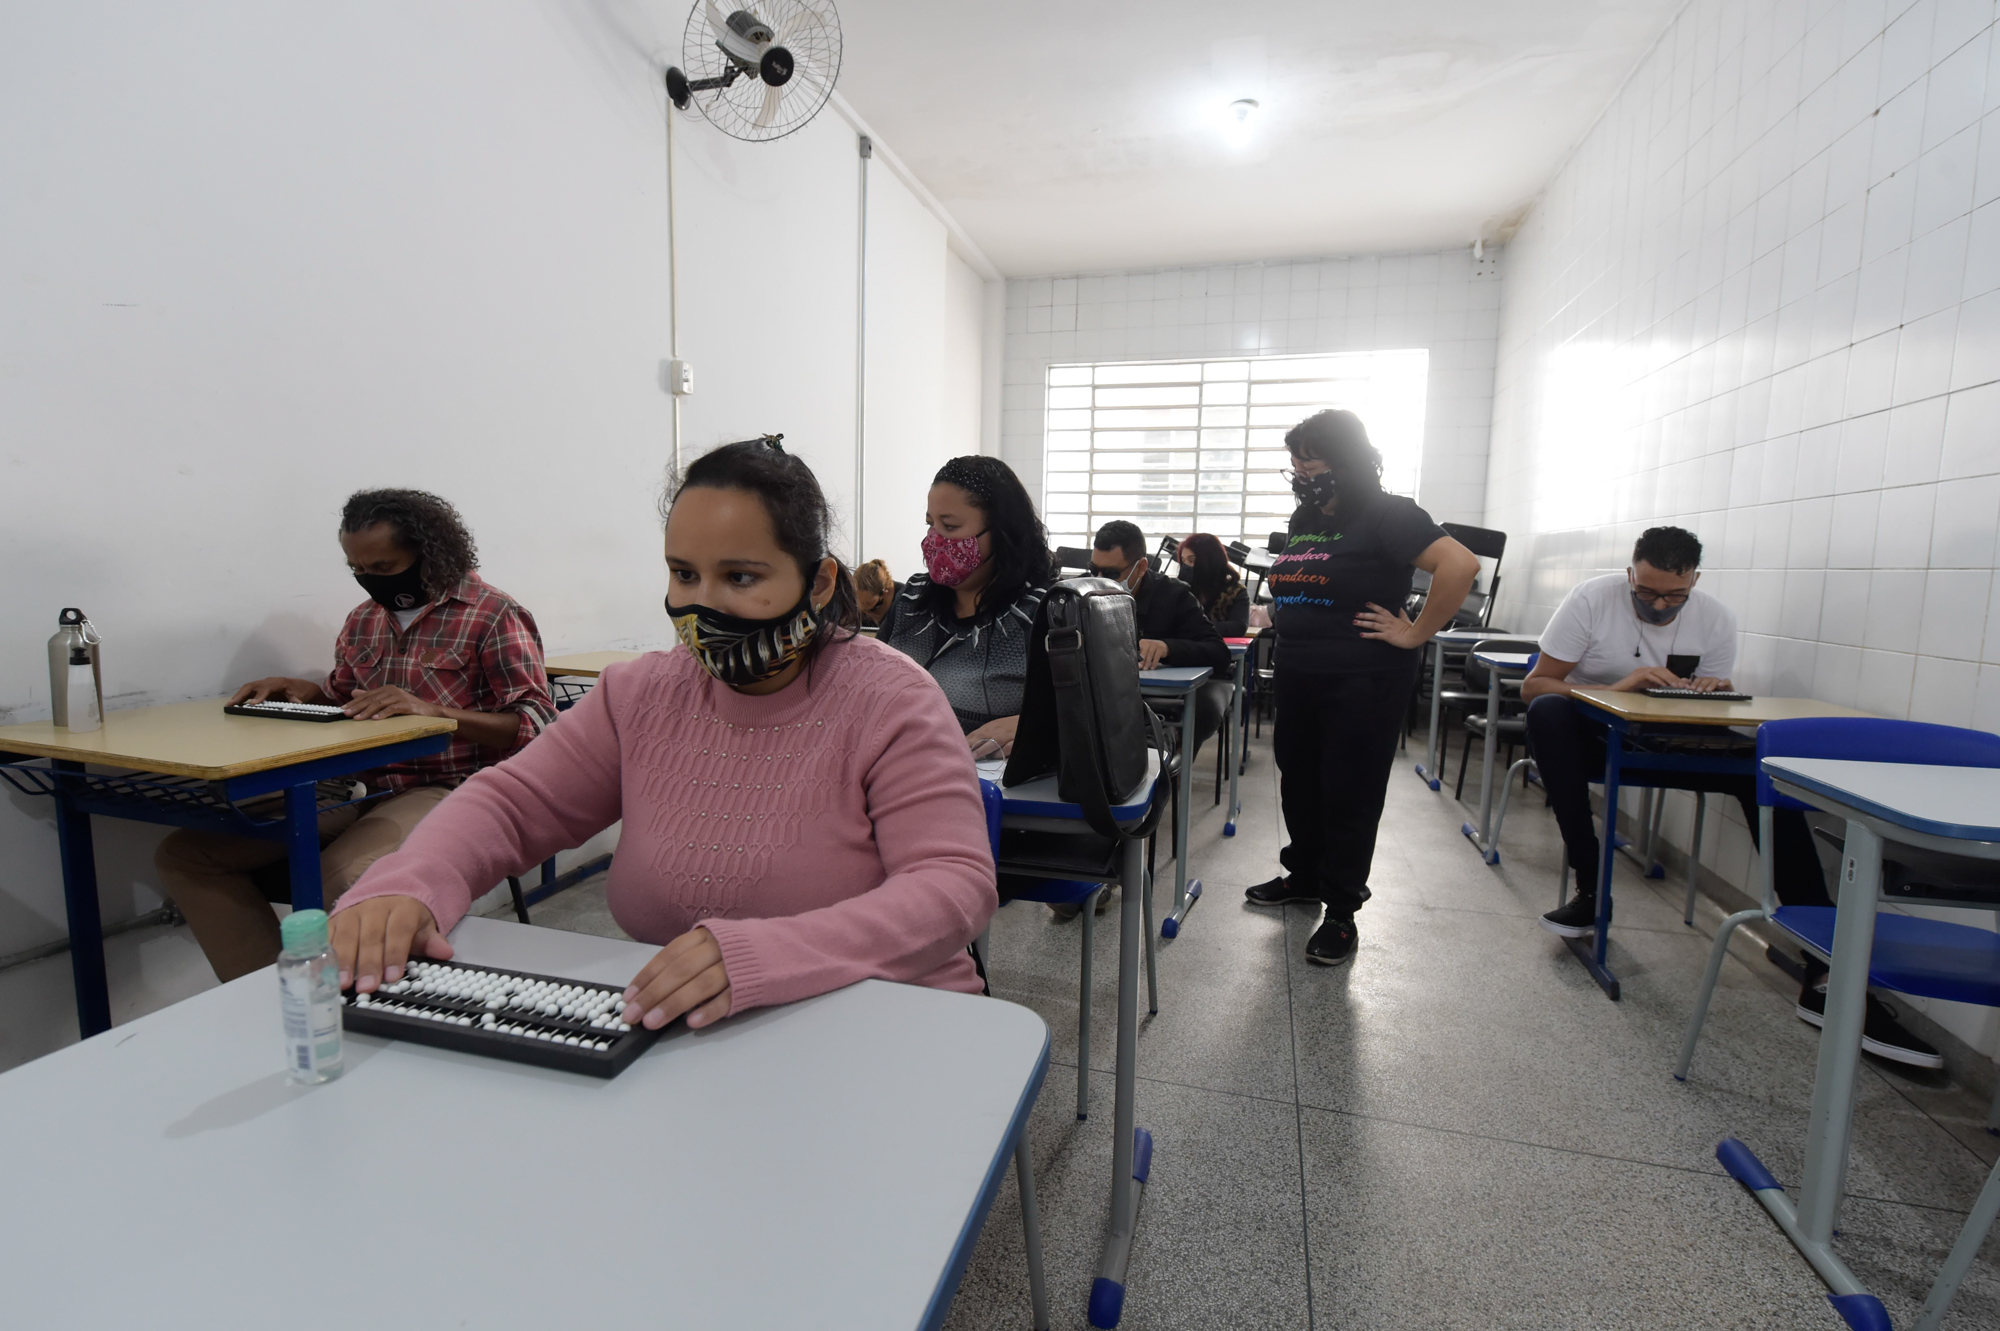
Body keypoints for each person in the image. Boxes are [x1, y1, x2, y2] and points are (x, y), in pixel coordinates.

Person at [330, 438, 996, 1029]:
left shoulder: (891, 701)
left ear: (819, 583)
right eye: (684, 573)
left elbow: (951, 885)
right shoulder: (639, 695)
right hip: (699, 1030)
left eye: (740, 577)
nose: (702, 604)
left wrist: (767, 954)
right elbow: (511, 804)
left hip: (890, 1022)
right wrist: (411, 881)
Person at [1521, 525, 1938, 1066]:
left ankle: (1828, 969)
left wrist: (1711, 693)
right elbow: (1536, 684)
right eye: (1646, 593)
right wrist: (1618, 687)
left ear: (1695, 580)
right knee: (1547, 712)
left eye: (1674, 595)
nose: (1659, 605)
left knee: (1762, 773)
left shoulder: (1715, 618)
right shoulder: (1591, 600)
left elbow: (1704, 707)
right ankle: (1590, 889)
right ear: (1629, 575)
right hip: (1590, 738)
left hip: (1666, 739)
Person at [154, 489, 556, 982]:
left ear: (428, 553)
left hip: (443, 784)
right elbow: (347, 701)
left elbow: (535, 721)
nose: (371, 579)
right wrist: (307, 693)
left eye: (384, 567)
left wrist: (435, 712)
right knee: (188, 856)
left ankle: (338, 1004)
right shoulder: (364, 618)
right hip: (356, 783)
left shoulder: (492, 614)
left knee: (343, 882)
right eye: (357, 569)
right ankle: (275, 997)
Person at [1243, 410, 1481, 966]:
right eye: (1295, 464)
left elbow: (1460, 565)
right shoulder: (1307, 517)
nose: (1300, 474)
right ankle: (1304, 875)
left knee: (1349, 791)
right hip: (1299, 670)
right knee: (1299, 780)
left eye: (1310, 464)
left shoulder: (1388, 513)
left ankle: (1342, 910)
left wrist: (1415, 633)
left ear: (1347, 462)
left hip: (1362, 678)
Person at [876, 455, 1051, 760]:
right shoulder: (910, 601)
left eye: (950, 526)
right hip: (892, 769)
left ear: (1001, 531)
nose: (934, 540)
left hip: (986, 782)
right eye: (930, 524)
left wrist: (1035, 725)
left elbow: (1086, 718)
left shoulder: (1039, 613)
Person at [1090, 520, 1232, 753]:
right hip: (1111, 692)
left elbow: (1219, 653)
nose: (1099, 579)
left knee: (1202, 711)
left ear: (1141, 567)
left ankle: (1171, 758)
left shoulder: (1175, 595)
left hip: (1164, 696)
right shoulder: (1084, 593)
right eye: (1093, 569)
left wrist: (1167, 648)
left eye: (1111, 573)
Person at [1175, 533, 1250, 638]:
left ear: (1210, 561)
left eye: (1191, 560)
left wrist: (1196, 627)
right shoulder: (1180, 590)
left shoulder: (1236, 592)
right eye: (1183, 561)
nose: (1186, 566)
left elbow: (1238, 627)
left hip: (1219, 646)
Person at [853, 558, 898, 627]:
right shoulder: (847, 596)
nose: (861, 608)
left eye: (868, 604)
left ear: (884, 594)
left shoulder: (903, 598)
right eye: (857, 601)